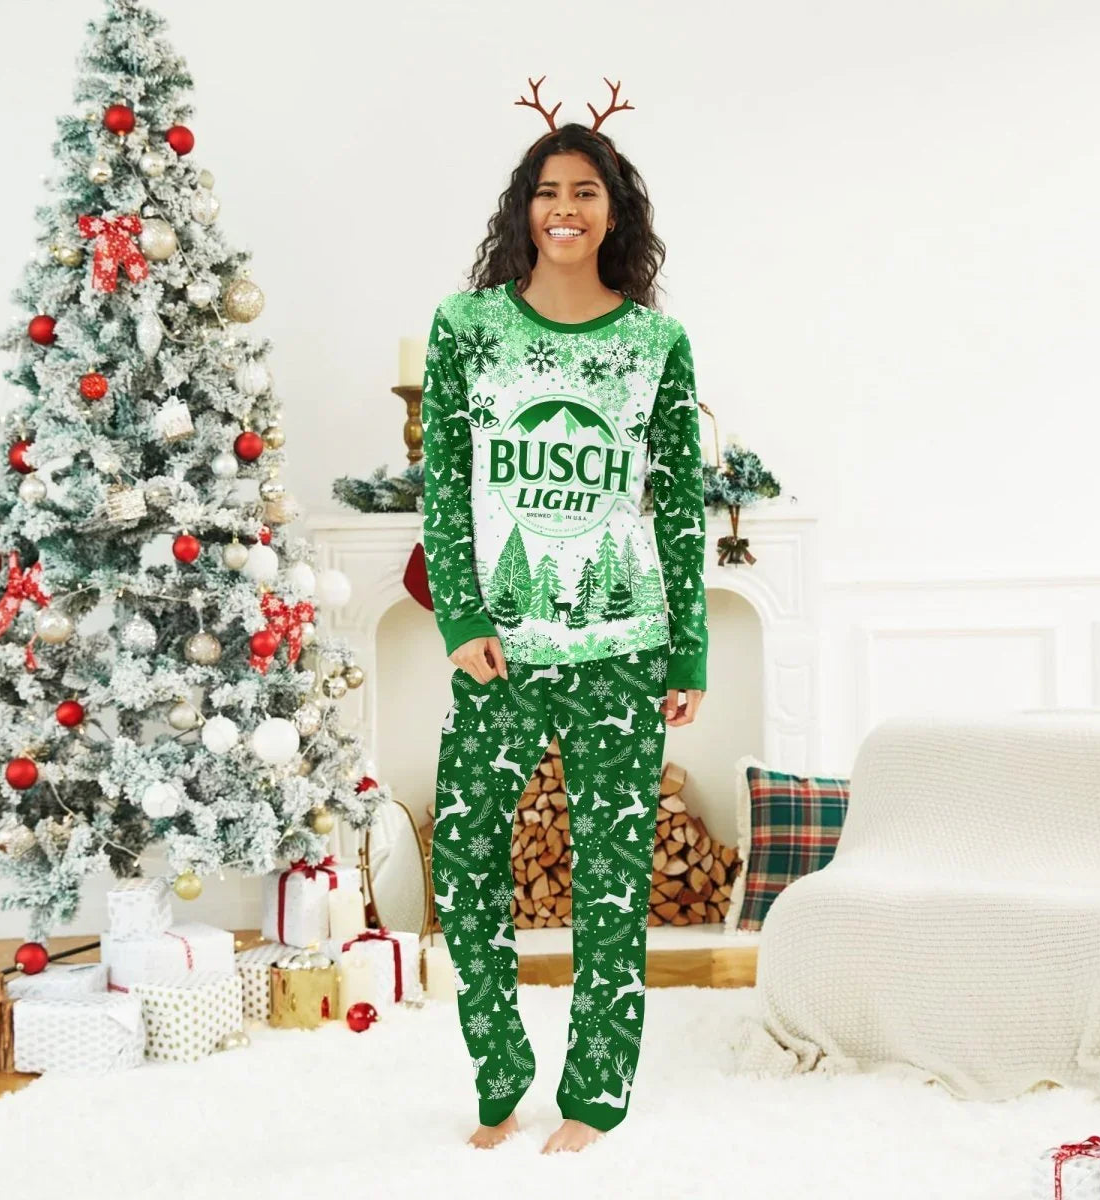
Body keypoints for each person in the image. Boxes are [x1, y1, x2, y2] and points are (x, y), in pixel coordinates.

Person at [420, 76, 709, 1154]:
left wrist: (692, 648)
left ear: (614, 212)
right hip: (498, 648)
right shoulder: (467, 329)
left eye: (587, 191)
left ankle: (595, 1092)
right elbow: (444, 483)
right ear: (524, 209)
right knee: (466, 858)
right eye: (549, 191)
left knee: (611, 876)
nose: (566, 209)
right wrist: (459, 618)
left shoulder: (655, 346)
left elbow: (680, 501)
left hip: (624, 646)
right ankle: (500, 1067)